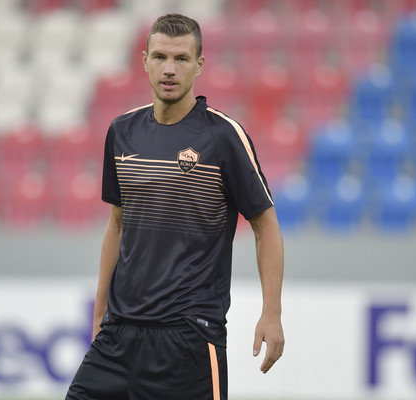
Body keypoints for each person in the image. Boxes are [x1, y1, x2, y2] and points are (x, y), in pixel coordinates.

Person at [66, 13, 284, 400]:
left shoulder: (223, 137)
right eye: (161, 57)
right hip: (118, 334)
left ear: (199, 65)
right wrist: (99, 314)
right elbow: (117, 226)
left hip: (188, 338)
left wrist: (272, 312)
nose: (169, 69)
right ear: (145, 59)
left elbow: (265, 225)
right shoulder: (122, 131)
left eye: (181, 59)